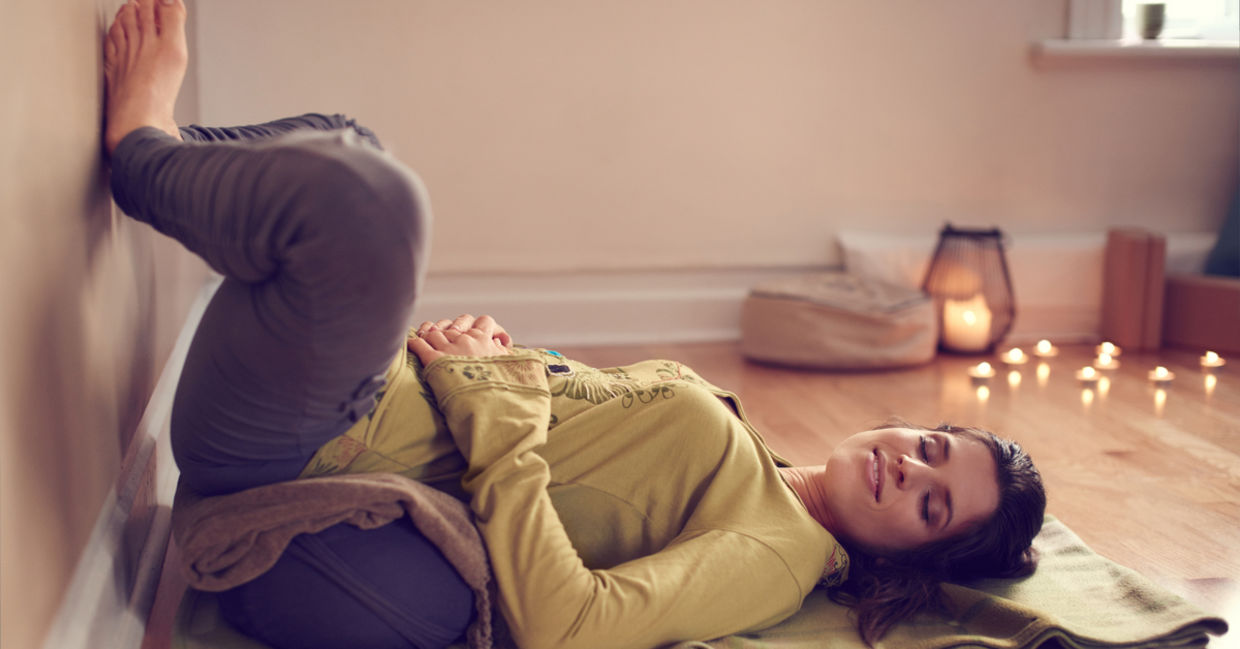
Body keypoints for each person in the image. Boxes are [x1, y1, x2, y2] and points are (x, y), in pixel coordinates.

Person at [102, 2, 1046, 649]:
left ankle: (142, 149)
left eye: (931, 505)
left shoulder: (777, 551)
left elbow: (572, 623)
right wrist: (505, 358)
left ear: (912, 560)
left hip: (310, 459)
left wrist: (496, 397)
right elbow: (587, 447)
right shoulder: (762, 459)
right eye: (931, 448)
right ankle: (182, 164)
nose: (907, 468)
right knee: (354, 144)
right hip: (357, 397)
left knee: (374, 202)